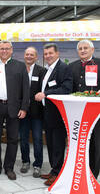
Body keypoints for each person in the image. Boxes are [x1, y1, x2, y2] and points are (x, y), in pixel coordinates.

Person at [0, 40, 30, 180]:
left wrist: (24, 108)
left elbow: (25, 89)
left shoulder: (20, 66)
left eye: (6, 49)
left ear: (11, 50)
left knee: (13, 139)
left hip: (14, 108)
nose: (4, 51)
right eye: (1, 49)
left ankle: (9, 168)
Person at [35, 43, 72, 186]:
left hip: (57, 113)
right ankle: (53, 170)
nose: (48, 56)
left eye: (50, 53)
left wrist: (45, 94)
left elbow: (66, 88)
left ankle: (58, 173)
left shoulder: (63, 68)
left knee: (57, 144)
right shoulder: (47, 70)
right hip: (47, 113)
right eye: (45, 54)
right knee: (50, 143)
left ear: (57, 54)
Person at [69, 40, 100, 179]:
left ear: (92, 50)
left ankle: (93, 173)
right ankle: (79, 171)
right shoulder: (72, 66)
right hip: (78, 113)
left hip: (96, 112)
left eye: (85, 48)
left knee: (95, 142)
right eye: (80, 48)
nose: (83, 50)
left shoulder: (99, 63)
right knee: (79, 142)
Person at [19, 47, 46, 178]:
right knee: (23, 138)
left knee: (37, 139)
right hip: (23, 112)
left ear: (36, 57)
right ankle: (25, 162)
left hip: (37, 112)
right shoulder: (20, 70)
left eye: (32, 55)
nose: (29, 56)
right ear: (24, 56)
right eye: (27, 54)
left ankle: (37, 165)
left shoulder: (42, 71)